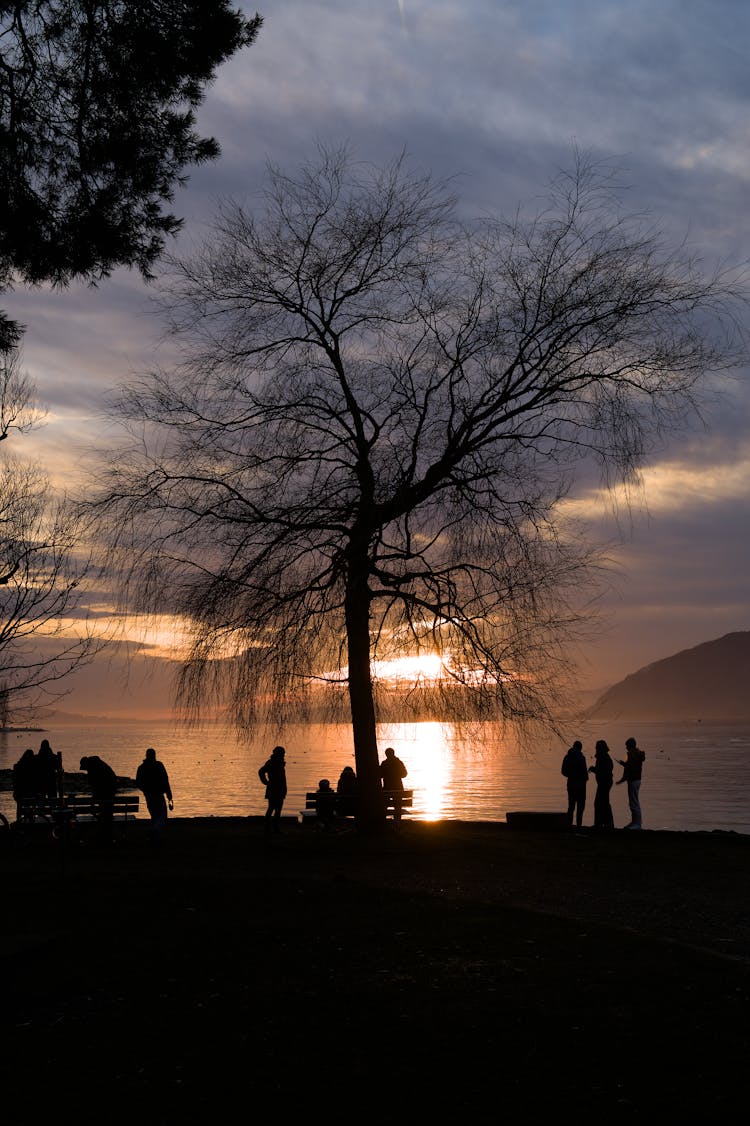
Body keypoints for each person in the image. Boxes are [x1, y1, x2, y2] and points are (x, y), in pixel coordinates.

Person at [135, 747, 174, 843]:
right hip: (159, 794)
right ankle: (155, 831)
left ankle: (155, 835)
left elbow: (138, 783)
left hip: (149, 796)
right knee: (162, 815)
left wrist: (145, 790)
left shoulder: (141, 768)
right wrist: (169, 794)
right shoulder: (159, 765)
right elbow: (165, 780)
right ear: (154, 755)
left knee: (154, 815)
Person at [80, 754, 118, 843]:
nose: (86, 770)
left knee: (105, 814)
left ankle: (104, 835)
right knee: (107, 814)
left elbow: (96, 785)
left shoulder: (93, 769)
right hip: (110, 791)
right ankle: (107, 835)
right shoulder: (99, 764)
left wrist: (93, 799)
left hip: (106, 793)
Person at [617, 737, 646, 829]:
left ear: (630, 745)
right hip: (637, 780)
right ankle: (635, 822)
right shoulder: (637, 754)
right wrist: (624, 764)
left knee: (634, 802)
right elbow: (632, 766)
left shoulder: (631, 754)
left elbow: (630, 768)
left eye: (627, 746)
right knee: (634, 802)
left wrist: (622, 779)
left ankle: (637, 824)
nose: (626, 747)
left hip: (633, 781)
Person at [258, 745, 287, 835]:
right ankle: (268, 828)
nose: (284, 755)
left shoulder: (279, 763)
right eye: (282, 753)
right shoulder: (272, 763)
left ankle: (274, 828)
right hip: (274, 789)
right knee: (272, 808)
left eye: (283, 753)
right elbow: (261, 771)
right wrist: (265, 782)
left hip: (280, 789)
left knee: (277, 809)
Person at [561, 739, 588, 829]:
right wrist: (585, 779)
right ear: (580, 748)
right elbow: (585, 773)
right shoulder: (581, 757)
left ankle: (569, 825)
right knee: (580, 807)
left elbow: (563, 771)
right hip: (580, 786)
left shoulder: (567, 757)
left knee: (571, 806)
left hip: (571, 784)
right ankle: (578, 826)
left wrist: (571, 775)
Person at [588, 739, 614, 830]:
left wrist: (594, 769)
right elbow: (601, 770)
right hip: (604, 783)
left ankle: (604, 824)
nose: (596, 750)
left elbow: (604, 772)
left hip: (605, 783)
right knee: (602, 803)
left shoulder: (604, 758)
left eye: (597, 748)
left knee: (601, 803)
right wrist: (594, 769)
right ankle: (603, 823)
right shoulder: (602, 758)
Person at [379, 746, 408, 822]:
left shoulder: (384, 763)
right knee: (398, 806)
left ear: (386, 755)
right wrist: (397, 775)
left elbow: (379, 775)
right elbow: (405, 774)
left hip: (387, 788)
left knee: (384, 804)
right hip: (398, 788)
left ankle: (383, 820)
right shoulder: (399, 763)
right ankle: (398, 821)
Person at [12, 748, 38, 818]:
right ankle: (31, 818)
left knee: (20, 805)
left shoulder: (18, 766)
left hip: (20, 793)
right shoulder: (34, 767)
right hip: (31, 793)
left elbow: (15, 781)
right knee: (32, 802)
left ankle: (19, 819)